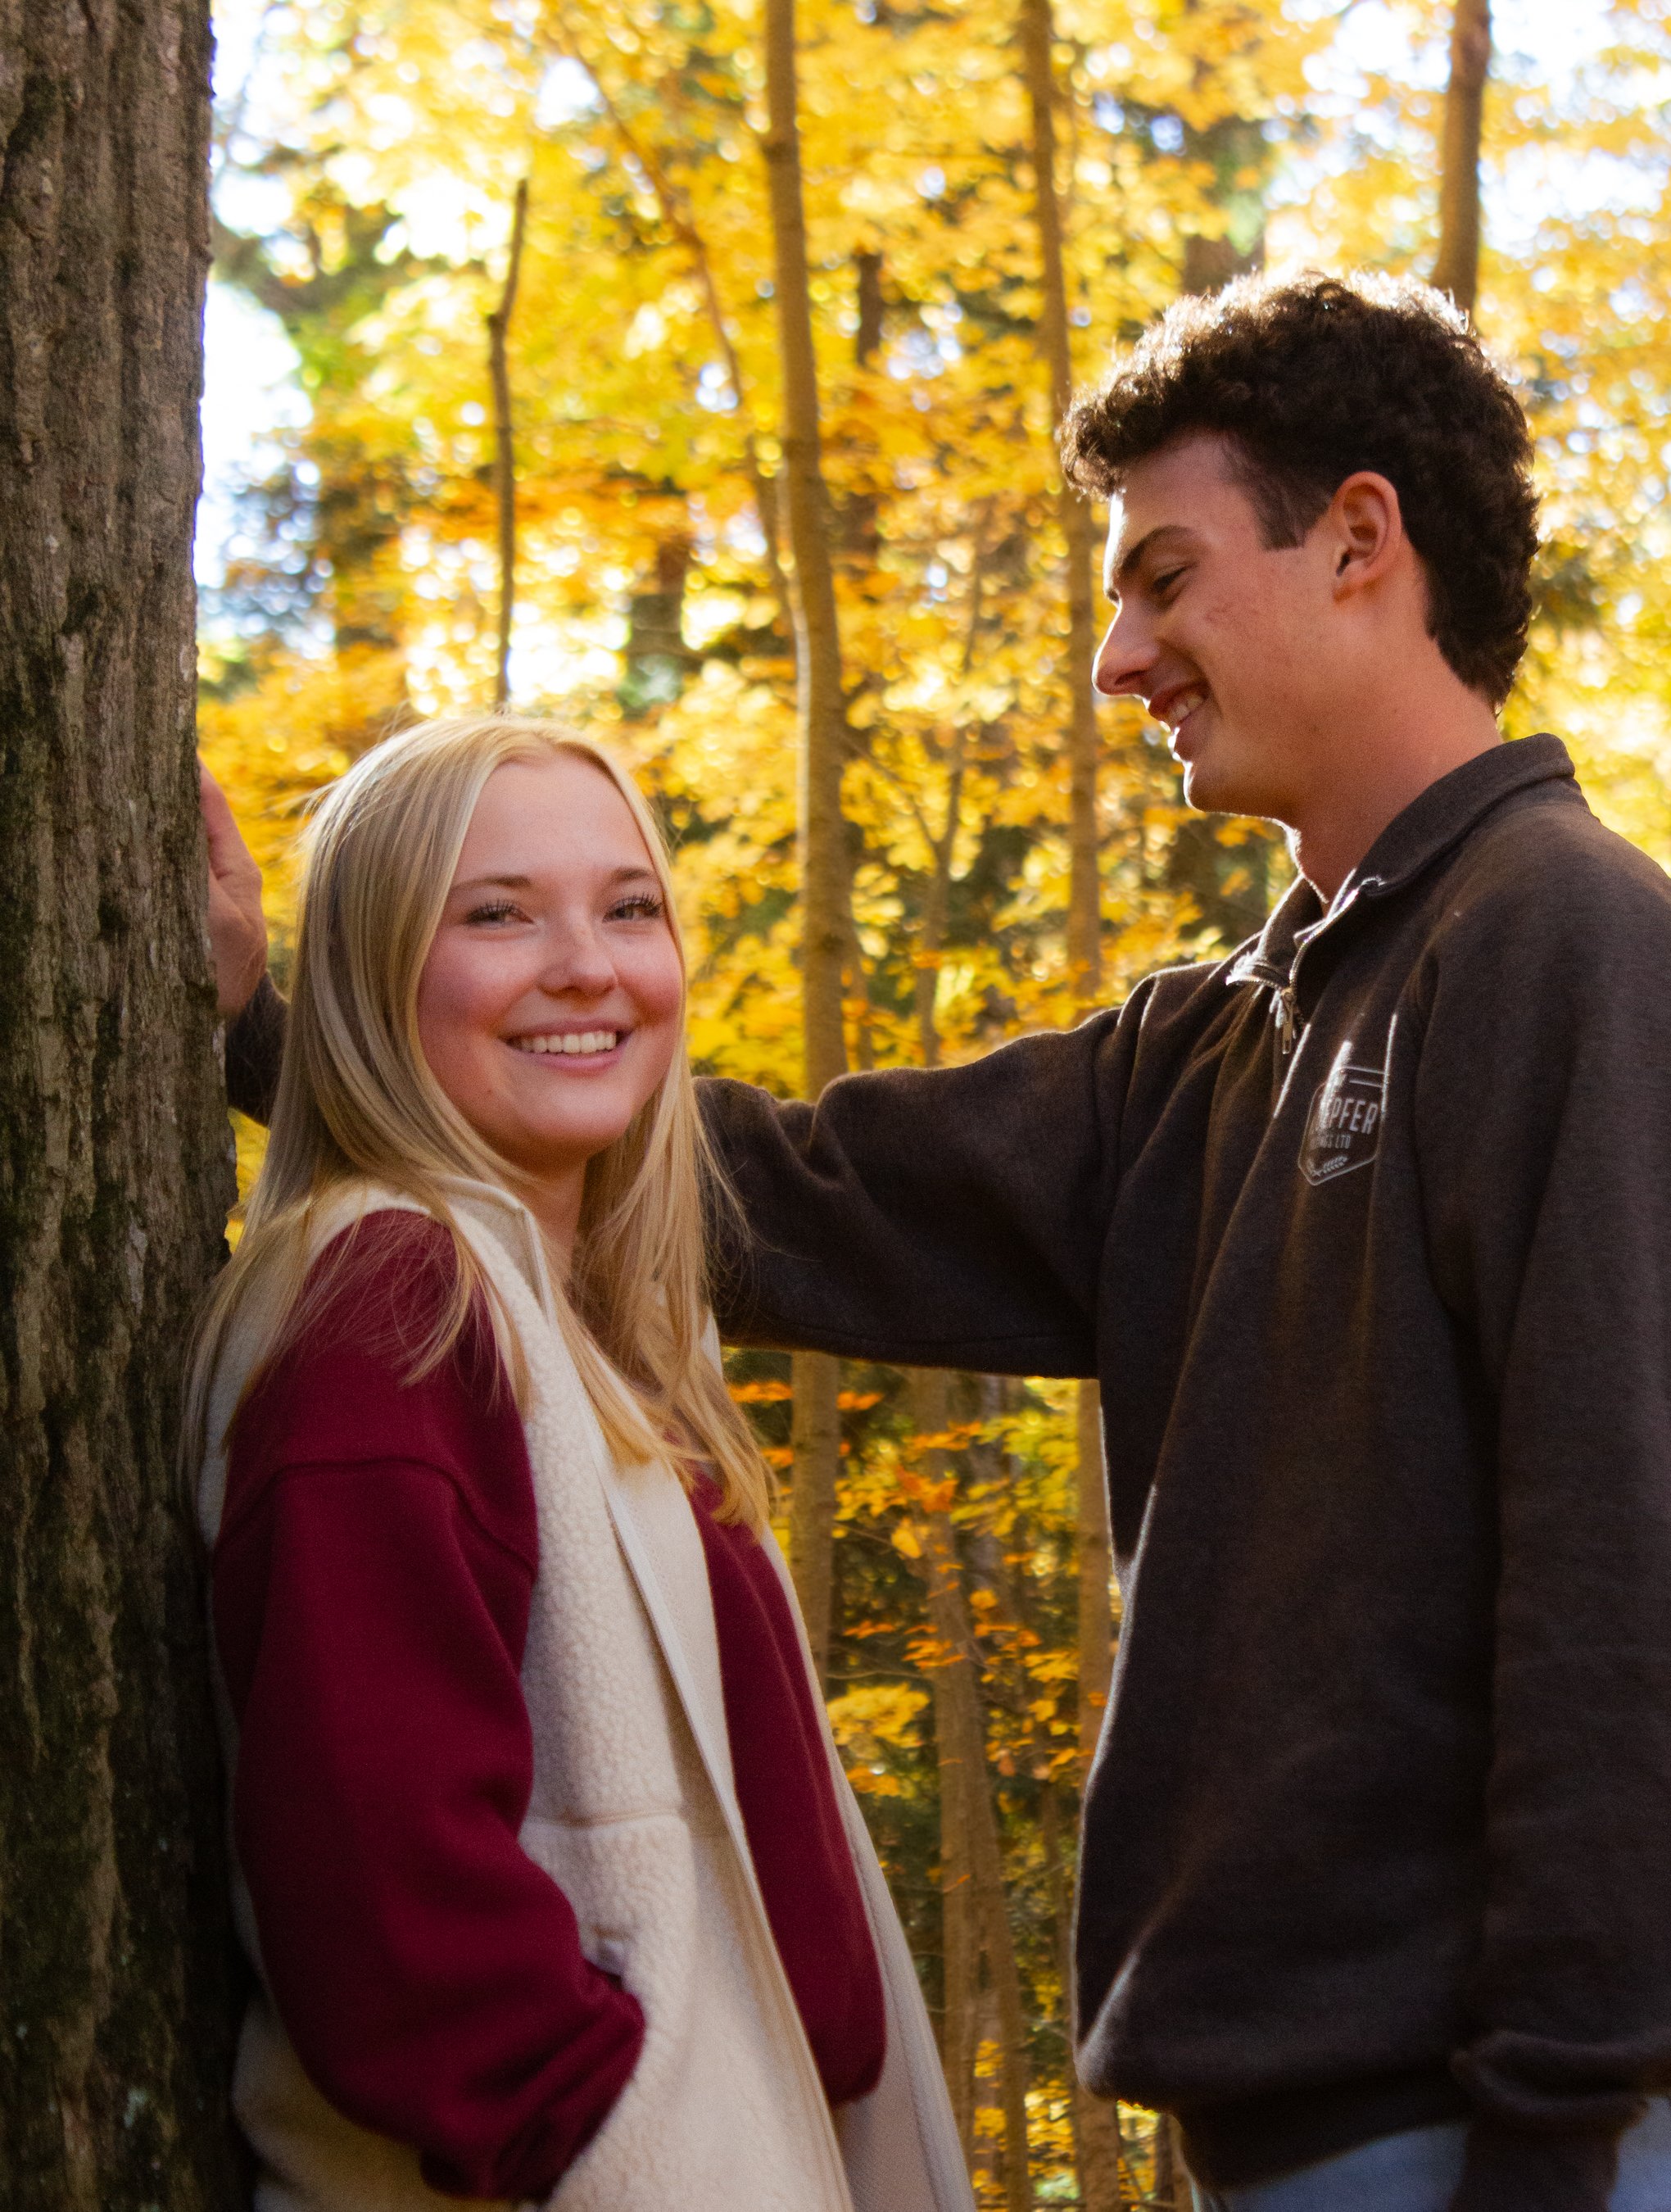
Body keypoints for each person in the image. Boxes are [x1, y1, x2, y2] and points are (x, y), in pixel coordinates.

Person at [209, 272, 1671, 2211]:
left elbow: (1623, 1573)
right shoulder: (1206, 1051)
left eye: (1160, 576)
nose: (1114, 657)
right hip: (1298, 2122)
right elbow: (757, 1185)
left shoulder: (1575, 946)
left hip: (1521, 2129)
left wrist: (1565, 2137)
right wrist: (271, 1023)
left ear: (1360, 545)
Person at [189, 716, 971, 2212]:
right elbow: (380, 1894)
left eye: (630, 908)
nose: (589, 965)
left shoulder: (590, 1330)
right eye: (497, 915)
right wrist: (619, 2145)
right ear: (371, 974)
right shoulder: (394, 1310)